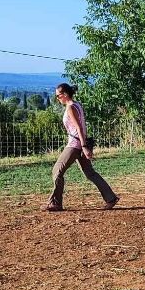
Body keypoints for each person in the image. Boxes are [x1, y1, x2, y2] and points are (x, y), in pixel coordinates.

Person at [45, 84, 119, 212]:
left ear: (65, 94)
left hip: (74, 145)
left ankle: (55, 203)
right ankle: (111, 198)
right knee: (90, 173)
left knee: (57, 171)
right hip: (80, 143)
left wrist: (84, 146)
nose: (57, 98)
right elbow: (82, 127)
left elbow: (78, 128)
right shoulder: (77, 104)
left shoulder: (70, 108)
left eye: (58, 96)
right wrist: (84, 144)